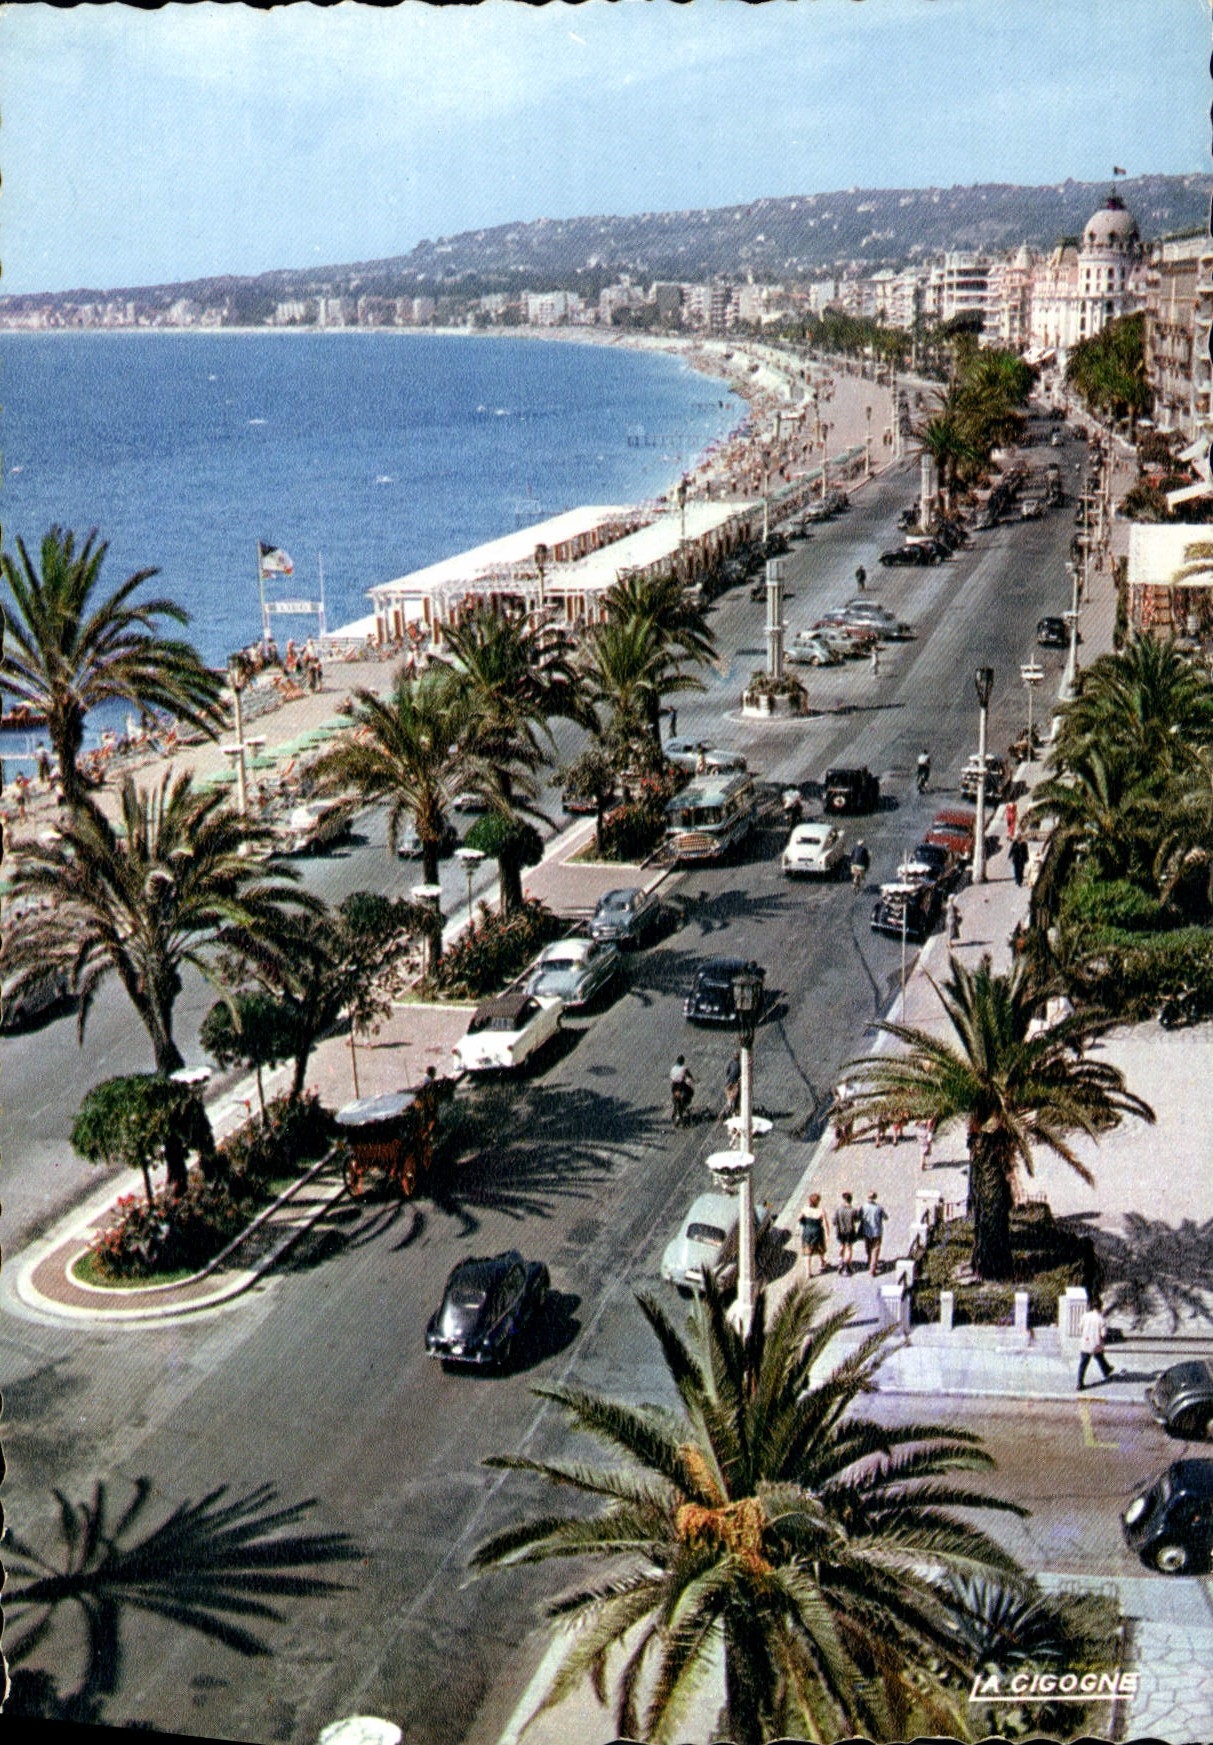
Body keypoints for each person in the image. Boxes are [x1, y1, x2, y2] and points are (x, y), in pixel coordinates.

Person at [1077, 1296, 1115, 1390]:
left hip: (1085, 1343)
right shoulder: (1101, 1319)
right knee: (1099, 1356)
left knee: (1083, 1364)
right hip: (1096, 1344)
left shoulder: (1085, 1316)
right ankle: (1106, 1370)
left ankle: (1080, 1383)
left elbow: (1080, 1327)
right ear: (1100, 1307)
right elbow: (1103, 1334)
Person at [798, 1193, 828, 1279]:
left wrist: (804, 1223)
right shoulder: (821, 1211)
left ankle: (808, 1272)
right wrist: (827, 1234)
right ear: (817, 1202)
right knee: (820, 1248)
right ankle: (823, 1263)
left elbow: (799, 1218)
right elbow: (825, 1223)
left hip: (807, 1232)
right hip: (817, 1232)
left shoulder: (804, 1209)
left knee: (807, 1253)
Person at [862, 1191, 888, 1276]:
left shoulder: (864, 1207)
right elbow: (886, 1217)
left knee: (868, 1248)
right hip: (877, 1232)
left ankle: (870, 1261)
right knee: (875, 1250)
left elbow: (859, 1217)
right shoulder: (879, 1208)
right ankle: (872, 1268)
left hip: (867, 1231)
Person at [833, 1192, 859, 1276]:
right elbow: (856, 1220)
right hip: (850, 1231)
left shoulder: (839, 1210)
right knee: (849, 1248)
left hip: (840, 1231)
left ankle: (840, 1262)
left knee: (841, 1246)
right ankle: (847, 1266)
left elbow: (834, 1222)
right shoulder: (853, 1210)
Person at [670, 1055, 695, 1127]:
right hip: (681, 1086)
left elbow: (672, 1077)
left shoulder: (673, 1068)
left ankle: (676, 1109)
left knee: (675, 1096)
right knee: (691, 1092)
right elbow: (689, 1076)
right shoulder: (684, 1068)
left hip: (674, 1087)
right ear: (683, 1061)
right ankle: (684, 1105)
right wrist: (693, 1080)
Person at [724, 1051, 741, 1118]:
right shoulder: (732, 1063)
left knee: (733, 1098)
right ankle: (731, 1110)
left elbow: (726, 1071)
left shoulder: (738, 1064)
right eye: (735, 1055)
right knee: (732, 1098)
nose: (736, 1056)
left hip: (734, 1084)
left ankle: (732, 1110)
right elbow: (726, 1071)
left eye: (737, 1055)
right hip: (731, 1083)